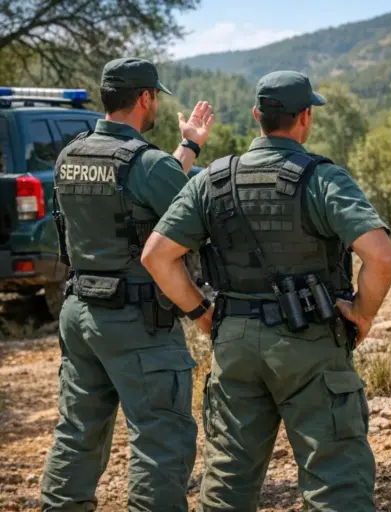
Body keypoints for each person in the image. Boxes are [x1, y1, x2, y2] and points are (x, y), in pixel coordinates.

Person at [141, 70, 391, 511]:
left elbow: (157, 257)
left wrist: (202, 313)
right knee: (336, 481)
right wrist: (363, 312)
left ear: (258, 115)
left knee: (228, 482)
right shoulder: (323, 178)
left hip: (236, 344)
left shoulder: (213, 181)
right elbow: (381, 256)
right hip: (311, 344)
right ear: (306, 118)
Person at [41, 57, 215, 512]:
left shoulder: (70, 156)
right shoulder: (148, 163)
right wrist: (190, 152)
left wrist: (187, 147)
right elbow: (179, 206)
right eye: (155, 95)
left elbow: (142, 186)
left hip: (79, 313)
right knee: (161, 438)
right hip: (135, 319)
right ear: (145, 98)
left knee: (78, 433)